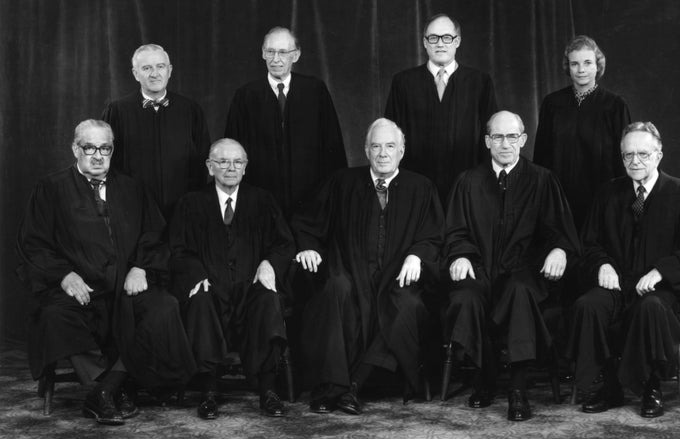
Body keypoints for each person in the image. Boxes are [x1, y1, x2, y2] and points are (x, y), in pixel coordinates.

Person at [16, 119, 196, 425]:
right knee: (54, 316)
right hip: (82, 286)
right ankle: (110, 387)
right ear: (75, 149)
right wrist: (64, 275)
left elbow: (154, 236)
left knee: (163, 307)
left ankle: (105, 390)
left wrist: (140, 267)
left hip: (125, 285)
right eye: (89, 147)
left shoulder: (131, 187)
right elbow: (33, 244)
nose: (98, 155)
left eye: (105, 148)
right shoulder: (51, 188)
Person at [292, 118, 444, 415]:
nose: (383, 153)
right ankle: (331, 385)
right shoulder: (342, 182)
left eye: (390, 146)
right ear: (365, 150)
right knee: (336, 292)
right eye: (376, 146)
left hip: (399, 279)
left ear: (402, 150)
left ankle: (354, 385)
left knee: (406, 308)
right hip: (353, 272)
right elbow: (307, 222)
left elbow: (434, 235)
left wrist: (417, 255)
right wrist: (307, 245)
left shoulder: (421, 187)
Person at [566, 122, 680, 418]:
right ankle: (608, 385)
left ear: (659, 155)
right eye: (628, 155)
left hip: (666, 291)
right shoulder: (608, 193)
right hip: (620, 284)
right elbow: (589, 243)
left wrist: (661, 271)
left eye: (644, 154)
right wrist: (603, 264)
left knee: (650, 307)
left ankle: (651, 385)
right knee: (589, 305)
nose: (635, 161)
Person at [444, 111, 579, 421]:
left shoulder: (543, 180)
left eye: (512, 137)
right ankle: (485, 376)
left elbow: (560, 230)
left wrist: (559, 249)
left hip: (525, 272)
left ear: (523, 139)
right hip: (480, 268)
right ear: (488, 141)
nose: (506, 144)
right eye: (498, 137)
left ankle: (518, 389)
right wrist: (461, 255)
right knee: (465, 297)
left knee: (519, 291)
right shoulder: (468, 181)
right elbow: (455, 231)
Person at [169, 139, 295, 419]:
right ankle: (209, 390)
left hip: (250, 287)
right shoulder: (191, 203)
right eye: (223, 162)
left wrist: (269, 263)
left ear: (246, 167)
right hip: (212, 289)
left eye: (238, 162)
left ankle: (268, 389)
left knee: (269, 299)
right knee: (199, 300)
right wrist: (196, 274)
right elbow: (177, 249)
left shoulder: (262, 200)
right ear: (210, 167)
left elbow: (284, 244)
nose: (231, 168)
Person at [225, 26, 347, 217]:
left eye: (283, 52)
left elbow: (333, 146)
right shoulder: (246, 95)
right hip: (262, 202)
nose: (276, 59)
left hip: (310, 200)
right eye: (270, 52)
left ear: (296, 55)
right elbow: (232, 150)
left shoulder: (315, 91)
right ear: (263, 54)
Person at [385, 13, 497, 203]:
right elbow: (390, 135)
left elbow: (490, 136)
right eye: (433, 38)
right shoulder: (403, 82)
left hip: (466, 186)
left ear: (457, 41)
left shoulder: (479, 82)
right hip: (415, 184)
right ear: (425, 42)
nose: (440, 43)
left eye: (447, 37)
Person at [534, 35, 631, 230]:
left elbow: (624, 158)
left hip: (601, 199)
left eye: (587, 63)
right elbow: (541, 156)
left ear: (598, 65)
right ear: (567, 67)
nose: (581, 70)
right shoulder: (552, 103)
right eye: (574, 64)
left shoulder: (614, 105)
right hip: (560, 199)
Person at [102, 44, 210, 219]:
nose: (155, 74)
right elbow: (108, 161)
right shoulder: (117, 111)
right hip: (134, 211)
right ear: (135, 74)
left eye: (160, 66)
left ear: (170, 70)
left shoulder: (190, 110)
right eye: (146, 68)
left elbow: (202, 161)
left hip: (182, 210)